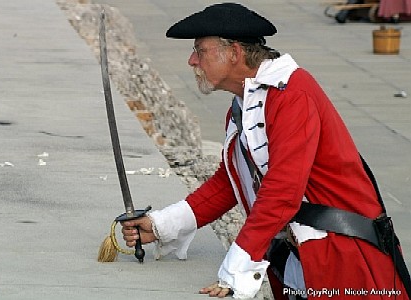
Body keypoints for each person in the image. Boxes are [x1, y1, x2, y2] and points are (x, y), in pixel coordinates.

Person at [121, 3, 410, 299]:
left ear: (234, 52)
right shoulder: (245, 103)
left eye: (200, 50)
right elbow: (229, 182)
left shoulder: (293, 94)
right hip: (306, 256)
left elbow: (282, 189)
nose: (192, 61)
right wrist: (162, 226)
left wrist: (236, 268)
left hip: (345, 257)